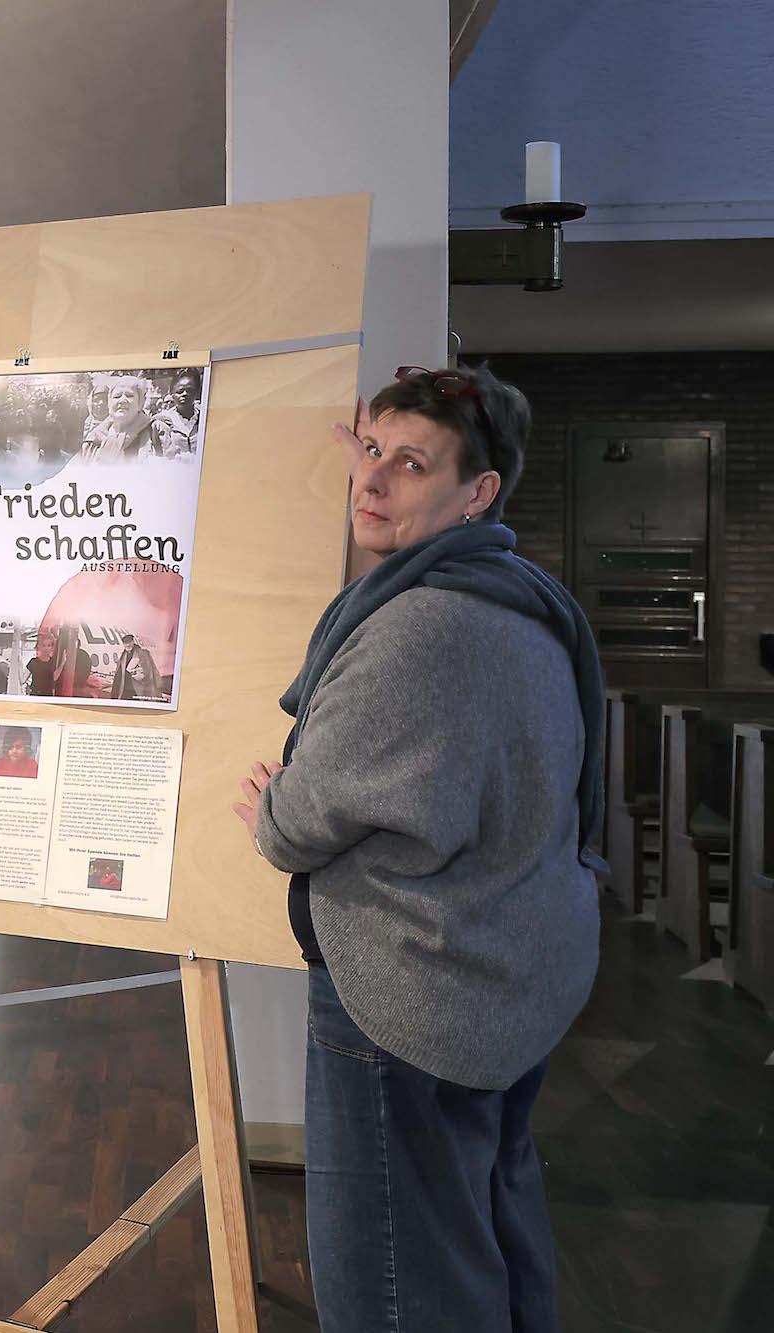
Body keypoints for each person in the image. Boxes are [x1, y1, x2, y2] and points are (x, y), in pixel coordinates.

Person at [231, 364, 603, 1332]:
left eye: (408, 462)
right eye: (366, 451)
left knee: (391, 1278)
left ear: (477, 491)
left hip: (411, 993)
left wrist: (274, 809)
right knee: (484, 1224)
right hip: (507, 972)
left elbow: (301, 817)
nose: (371, 480)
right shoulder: (521, 603)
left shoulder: (418, 627)